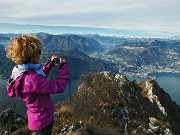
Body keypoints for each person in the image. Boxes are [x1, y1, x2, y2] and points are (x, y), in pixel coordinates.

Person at [6, 35, 69, 135]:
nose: (40, 53)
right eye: (38, 51)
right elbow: (60, 87)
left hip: (35, 118)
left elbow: (38, 79)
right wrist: (63, 67)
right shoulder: (32, 80)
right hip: (43, 120)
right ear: (30, 55)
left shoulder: (20, 72)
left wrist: (50, 64)